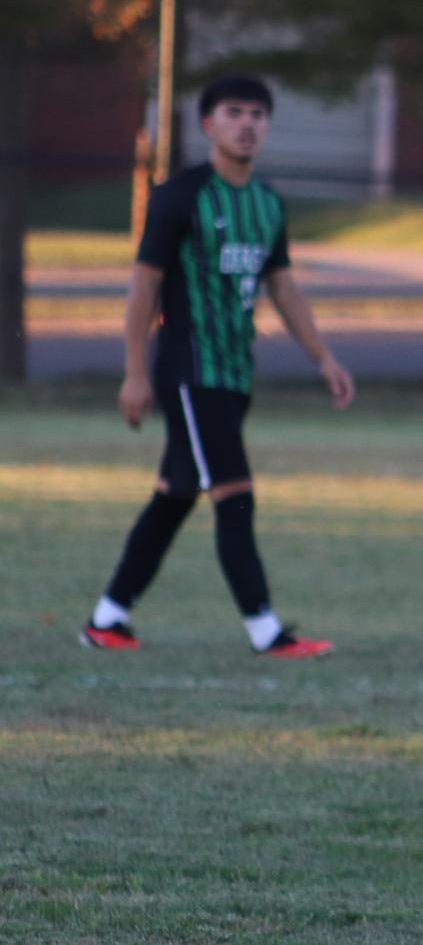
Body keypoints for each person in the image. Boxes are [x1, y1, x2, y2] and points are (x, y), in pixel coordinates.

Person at [80, 74, 354, 658]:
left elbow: (283, 288)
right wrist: (134, 371)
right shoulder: (180, 197)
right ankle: (266, 631)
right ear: (209, 124)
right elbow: (143, 290)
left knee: (175, 495)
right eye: (234, 112)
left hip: (234, 373)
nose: (248, 123)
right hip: (189, 372)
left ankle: (106, 619)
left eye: (258, 114)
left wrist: (324, 358)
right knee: (234, 493)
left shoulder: (267, 203)